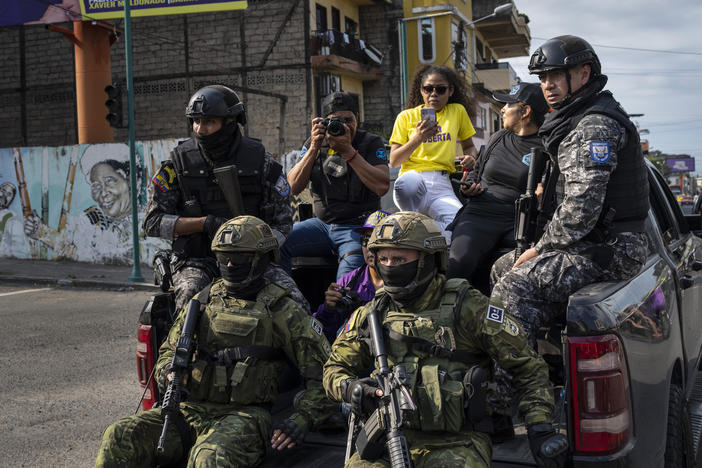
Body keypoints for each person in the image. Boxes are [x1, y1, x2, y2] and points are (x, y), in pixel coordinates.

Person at [323, 211, 567, 468]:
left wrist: (539, 427)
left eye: (399, 258)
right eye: (383, 258)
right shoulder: (373, 313)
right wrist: (351, 388)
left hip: (457, 442)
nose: (390, 266)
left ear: (428, 260)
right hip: (385, 438)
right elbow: (333, 369)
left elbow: (528, 367)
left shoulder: (468, 306)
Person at [96, 216, 336, 468]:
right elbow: (168, 352)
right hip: (190, 411)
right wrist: (170, 372)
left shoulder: (283, 310)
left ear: (262, 259)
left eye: (239, 258)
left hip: (245, 416)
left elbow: (326, 376)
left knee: (209, 458)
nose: (230, 264)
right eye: (223, 258)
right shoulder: (201, 301)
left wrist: (302, 419)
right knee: (119, 435)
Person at [490, 35, 650, 347]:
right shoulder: (574, 119)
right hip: (588, 244)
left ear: (583, 74)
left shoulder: (594, 125)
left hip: (614, 248)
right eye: (543, 77)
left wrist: (541, 248)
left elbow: (581, 209)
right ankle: (536, 358)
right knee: (502, 268)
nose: (547, 85)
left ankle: (513, 388)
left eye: (555, 76)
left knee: (513, 287)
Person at [143, 85, 307, 313]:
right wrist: (204, 223)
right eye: (196, 121)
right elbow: (153, 222)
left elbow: (283, 222)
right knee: (189, 298)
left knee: (295, 302)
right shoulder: (178, 164)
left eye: (209, 122)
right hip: (199, 261)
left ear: (230, 122)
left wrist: (255, 246)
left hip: (253, 262)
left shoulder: (260, 161)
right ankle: (182, 350)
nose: (201, 129)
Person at [447, 83, 548, 295]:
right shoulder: (497, 138)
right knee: (459, 264)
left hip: (518, 220)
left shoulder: (547, 146)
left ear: (525, 111)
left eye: (508, 105)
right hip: (480, 212)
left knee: (515, 275)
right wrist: (468, 187)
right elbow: (476, 173)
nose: (502, 109)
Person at [281, 91, 390, 280]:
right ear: (324, 122)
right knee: (277, 243)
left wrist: (348, 151)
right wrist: (314, 147)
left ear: (357, 119)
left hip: (358, 228)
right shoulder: (316, 143)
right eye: (336, 121)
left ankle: (342, 307)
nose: (344, 126)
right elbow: (293, 187)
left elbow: (382, 186)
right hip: (322, 226)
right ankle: (285, 300)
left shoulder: (370, 142)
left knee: (346, 281)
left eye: (349, 119)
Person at [389, 65, 478, 242]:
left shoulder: (457, 111)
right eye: (428, 88)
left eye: (440, 89)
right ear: (421, 90)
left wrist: (471, 158)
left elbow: (469, 146)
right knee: (409, 183)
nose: (434, 94)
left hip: (442, 184)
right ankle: (411, 224)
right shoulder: (405, 117)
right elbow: (394, 161)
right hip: (413, 179)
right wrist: (418, 138)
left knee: (459, 226)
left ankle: (414, 232)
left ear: (450, 90)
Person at [312, 209, 388, 343]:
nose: (369, 247)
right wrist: (328, 309)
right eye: (366, 240)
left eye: (377, 241)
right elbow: (324, 335)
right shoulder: (349, 281)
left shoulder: (404, 279)